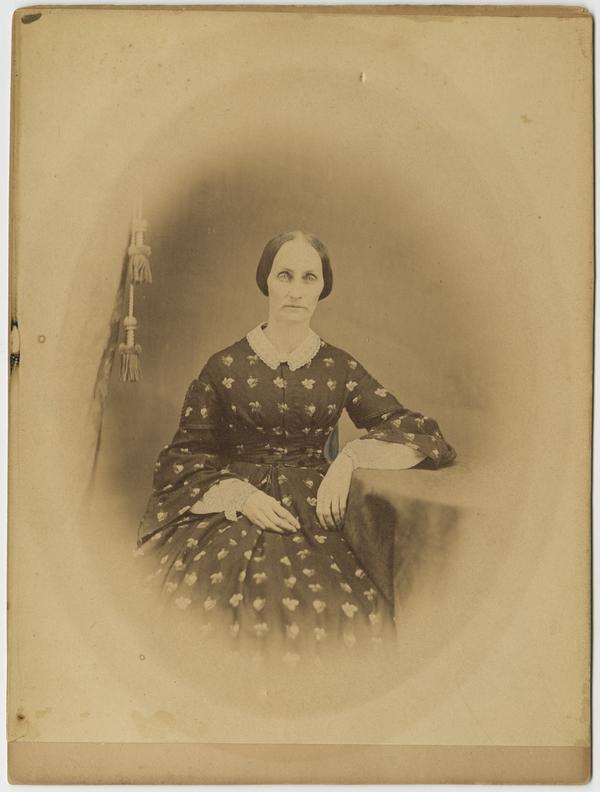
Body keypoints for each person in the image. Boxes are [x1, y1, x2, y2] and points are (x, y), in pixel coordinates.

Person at [136, 230, 456, 667]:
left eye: (309, 278)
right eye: (284, 275)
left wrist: (348, 460)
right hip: (235, 511)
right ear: (266, 281)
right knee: (206, 607)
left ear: (322, 288)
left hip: (316, 510)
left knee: (349, 614)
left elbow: (413, 429)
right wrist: (241, 497)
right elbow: (183, 459)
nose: (295, 290)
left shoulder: (339, 366)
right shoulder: (224, 366)